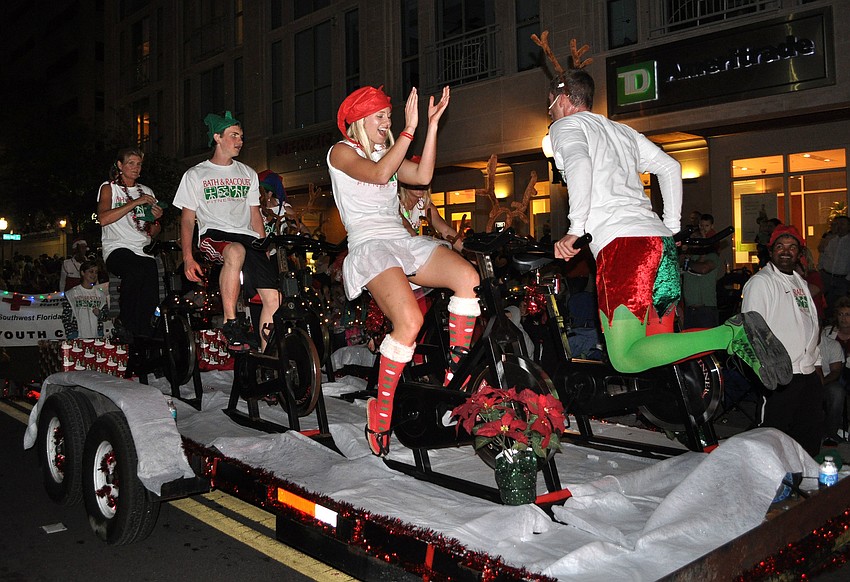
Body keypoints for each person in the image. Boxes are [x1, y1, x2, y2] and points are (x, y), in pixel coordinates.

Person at [546, 67, 791, 390]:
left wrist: (575, 228)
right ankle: (728, 349)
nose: (549, 112)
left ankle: (731, 335)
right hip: (659, 244)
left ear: (563, 99)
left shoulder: (565, 126)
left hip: (623, 247)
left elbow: (579, 163)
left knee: (625, 357)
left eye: (550, 104)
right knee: (656, 349)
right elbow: (670, 166)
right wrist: (672, 228)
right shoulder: (622, 131)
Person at [328, 85, 479, 457]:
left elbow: (423, 176)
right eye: (380, 116)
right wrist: (408, 130)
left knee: (468, 278)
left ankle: (453, 378)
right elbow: (380, 175)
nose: (387, 122)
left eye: (389, 116)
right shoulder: (341, 151)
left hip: (400, 238)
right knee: (409, 322)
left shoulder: (387, 152)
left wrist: (431, 125)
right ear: (360, 119)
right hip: (369, 244)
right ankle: (380, 411)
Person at [173, 111, 281, 352]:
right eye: (234, 135)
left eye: (241, 136)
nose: (240, 141)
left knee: (274, 298)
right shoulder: (195, 174)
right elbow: (187, 219)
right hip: (215, 234)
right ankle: (231, 323)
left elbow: (255, 215)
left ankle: (267, 357)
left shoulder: (248, 173)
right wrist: (188, 257)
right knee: (235, 251)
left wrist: (263, 246)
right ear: (217, 137)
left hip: (248, 238)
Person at [741, 225, 823, 456]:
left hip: (806, 373)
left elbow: (810, 323)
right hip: (779, 375)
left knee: (808, 434)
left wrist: (816, 362)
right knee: (772, 438)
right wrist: (766, 371)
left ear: (799, 253)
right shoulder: (761, 282)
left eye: (792, 247)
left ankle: (803, 474)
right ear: (771, 251)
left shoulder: (799, 282)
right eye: (780, 246)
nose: (786, 251)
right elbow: (751, 331)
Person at [97, 147, 163, 341]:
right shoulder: (109, 188)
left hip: (143, 250)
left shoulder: (147, 192)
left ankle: (146, 332)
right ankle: (125, 322)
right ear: (120, 165)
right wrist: (135, 203)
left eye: (139, 164)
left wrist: (156, 219)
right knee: (135, 269)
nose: (136, 168)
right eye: (131, 163)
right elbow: (103, 219)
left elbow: (153, 230)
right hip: (117, 248)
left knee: (150, 274)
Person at [680, 213, 720, 329]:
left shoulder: (713, 255)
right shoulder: (690, 257)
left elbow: (704, 268)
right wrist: (684, 250)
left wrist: (687, 263)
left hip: (706, 310)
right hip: (689, 310)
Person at [398, 182, 462, 250]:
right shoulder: (394, 203)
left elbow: (446, 231)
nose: (420, 185)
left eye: (423, 181)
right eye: (416, 181)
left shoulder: (424, 206)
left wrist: (465, 250)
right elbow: (407, 229)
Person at [821, 296, 850, 444]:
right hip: (829, 374)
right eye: (841, 314)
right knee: (836, 391)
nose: (844, 318)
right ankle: (831, 431)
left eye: (848, 314)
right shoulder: (827, 333)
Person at [61, 260, 109, 339]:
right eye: (91, 271)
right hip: (77, 337)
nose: (94, 275)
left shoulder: (101, 295)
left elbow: (105, 316)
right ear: (82, 273)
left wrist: (99, 314)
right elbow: (66, 317)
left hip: (96, 337)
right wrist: (71, 334)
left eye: (96, 272)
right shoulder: (71, 294)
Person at [817, 215, 850, 313]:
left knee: (841, 305)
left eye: (842, 224)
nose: (839, 226)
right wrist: (820, 269)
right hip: (826, 276)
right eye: (837, 224)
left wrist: (847, 279)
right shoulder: (830, 240)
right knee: (826, 303)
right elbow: (823, 254)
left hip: (842, 279)